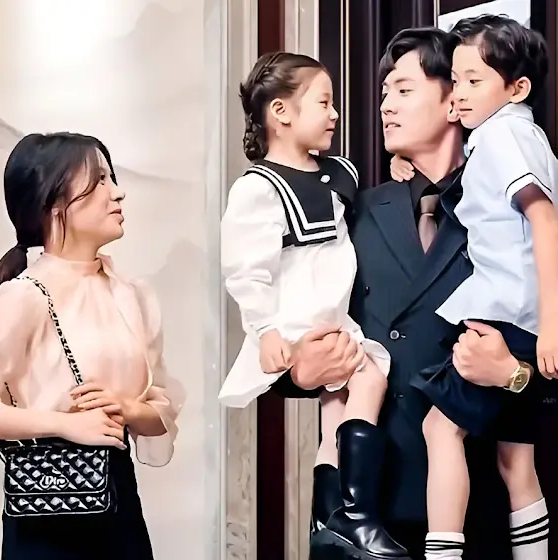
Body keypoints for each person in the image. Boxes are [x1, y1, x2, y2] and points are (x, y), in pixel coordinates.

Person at [272, 28, 526, 560]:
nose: (385, 105)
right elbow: (291, 325)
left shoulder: (509, 214)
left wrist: (514, 374)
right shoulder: (353, 212)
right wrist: (300, 370)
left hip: (472, 513)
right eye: (385, 92)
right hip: (366, 517)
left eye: (404, 90)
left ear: (455, 100)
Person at [218, 51, 409, 558]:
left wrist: (399, 164)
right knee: (369, 377)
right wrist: (266, 331)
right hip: (300, 318)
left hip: (332, 312)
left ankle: (328, 519)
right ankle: (358, 515)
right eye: (323, 103)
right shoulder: (259, 188)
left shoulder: (340, 172)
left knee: (336, 410)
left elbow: (363, 211)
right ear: (281, 112)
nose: (335, 114)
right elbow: (247, 270)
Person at [385, 15, 555, 560]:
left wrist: (550, 329)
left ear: (516, 88)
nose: (460, 94)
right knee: (517, 463)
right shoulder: (508, 137)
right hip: (521, 316)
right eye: (456, 81)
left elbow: (545, 220)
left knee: (441, 431)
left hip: (507, 316)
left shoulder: (504, 136)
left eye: (473, 81)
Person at [0, 132, 183, 560]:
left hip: (119, 501)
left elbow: (160, 413)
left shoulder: (132, 295)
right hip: (46, 511)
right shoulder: (24, 296)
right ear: (53, 203)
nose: (117, 192)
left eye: (111, 178)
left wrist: (127, 407)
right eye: (99, 180)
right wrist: (63, 425)